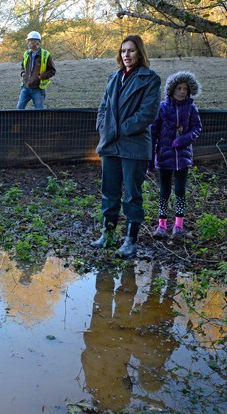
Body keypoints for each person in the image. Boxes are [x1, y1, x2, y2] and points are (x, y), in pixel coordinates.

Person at [90, 34, 161, 259]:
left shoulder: (150, 79)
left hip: (134, 146)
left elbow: (148, 113)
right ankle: (107, 235)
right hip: (110, 144)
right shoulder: (113, 77)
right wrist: (103, 127)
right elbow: (103, 107)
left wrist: (121, 128)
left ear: (139, 53)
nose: (126, 55)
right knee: (109, 192)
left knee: (132, 195)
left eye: (130, 51)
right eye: (123, 51)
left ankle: (130, 241)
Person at [151, 71, 202, 239]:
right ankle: (162, 225)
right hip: (164, 155)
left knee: (180, 190)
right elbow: (153, 132)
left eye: (185, 89)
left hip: (183, 156)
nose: (182, 92)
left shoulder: (191, 107)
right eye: (179, 88)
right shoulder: (162, 108)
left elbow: (196, 128)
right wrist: (150, 159)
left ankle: (178, 225)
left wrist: (184, 140)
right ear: (172, 89)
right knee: (164, 191)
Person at [16, 31, 56, 109]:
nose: (27, 42)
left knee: (39, 112)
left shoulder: (45, 54)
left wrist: (42, 76)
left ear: (35, 42)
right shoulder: (26, 53)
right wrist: (23, 73)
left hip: (38, 89)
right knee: (19, 109)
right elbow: (22, 66)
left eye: (29, 40)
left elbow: (52, 71)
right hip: (25, 87)